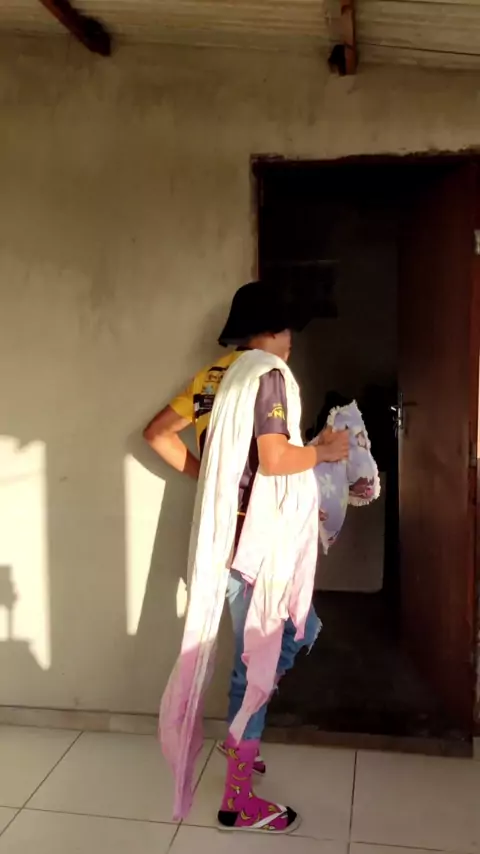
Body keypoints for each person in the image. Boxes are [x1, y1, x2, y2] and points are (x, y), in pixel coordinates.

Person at [144, 280, 349, 834]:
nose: (291, 341)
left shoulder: (214, 377)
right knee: (259, 661)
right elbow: (275, 458)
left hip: (227, 543)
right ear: (273, 330)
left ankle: (242, 733)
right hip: (257, 547)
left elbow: (157, 434)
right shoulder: (269, 375)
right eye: (287, 330)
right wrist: (325, 451)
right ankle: (237, 798)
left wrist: (213, 482)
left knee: (284, 640)